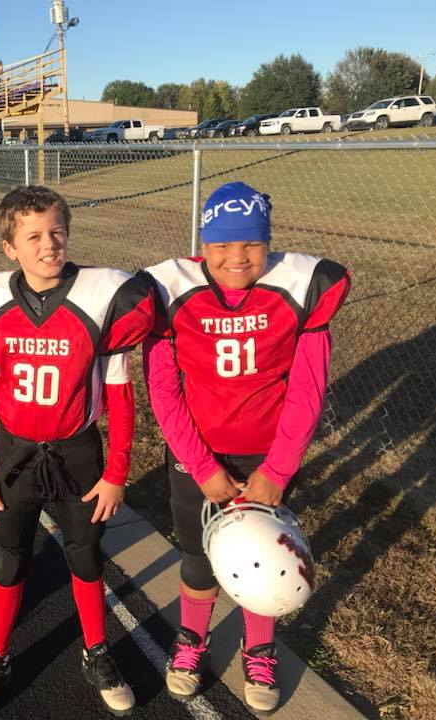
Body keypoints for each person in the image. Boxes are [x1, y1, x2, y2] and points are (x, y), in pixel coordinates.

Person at [141, 181, 351, 713]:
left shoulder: (294, 289)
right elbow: (163, 391)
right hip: (198, 456)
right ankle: (193, 638)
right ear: (203, 245)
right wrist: (201, 466)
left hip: (266, 455)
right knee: (197, 558)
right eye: (222, 245)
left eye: (251, 244)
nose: (236, 258)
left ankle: (259, 647)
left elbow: (307, 390)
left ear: (269, 242)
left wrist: (278, 470)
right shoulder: (172, 292)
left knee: (264, 555)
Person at [0, 186, 155, 719]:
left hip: (77, 452)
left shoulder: (101, 297)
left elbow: (121, 394)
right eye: (34, 236)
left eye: (57, 232)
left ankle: (96, 649)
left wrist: (117, 471)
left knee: (85, 552)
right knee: (10, 554)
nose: (49, 244)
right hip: (14, 454)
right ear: (9, 247)